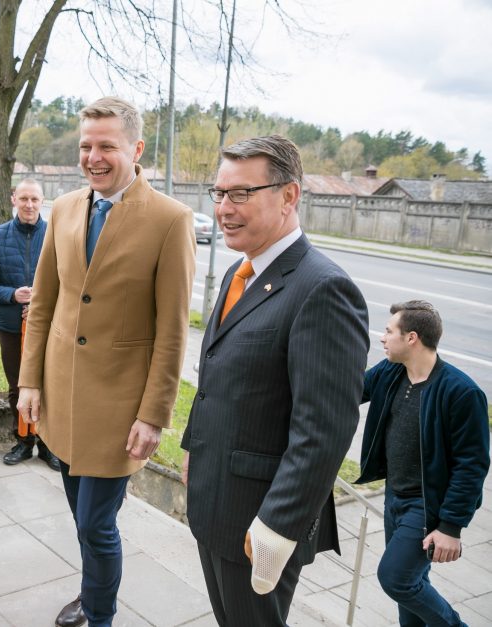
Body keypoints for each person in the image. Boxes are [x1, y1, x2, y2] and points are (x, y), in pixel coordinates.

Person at [17, 97, 196, 627]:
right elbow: (45, 302)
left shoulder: (170, 220)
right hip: (63, 396)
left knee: (96, 523)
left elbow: (172, 330)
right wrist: (30, 380)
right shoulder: (66, 207)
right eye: (86, 146)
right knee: (81, 517)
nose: (93, 158)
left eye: (106, 147)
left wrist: (153, 414)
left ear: (137, 149)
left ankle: (100, 614)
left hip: (120, 408)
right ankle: (91, 590)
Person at [180, 135, 369, 626]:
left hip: (258, 520)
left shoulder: (323, 289)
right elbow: (218, 377)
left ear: (289, 196)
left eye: (241, 193)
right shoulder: (237, 273)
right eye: (219, 193)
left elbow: (323, 431)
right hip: (215, 500)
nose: (223, 208)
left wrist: (277, 527)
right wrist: (191, 446)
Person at [357, 301, 489, 626]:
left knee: (396, 578)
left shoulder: (460, 392)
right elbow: (350, 390)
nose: (383, 338)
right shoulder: (391, 372)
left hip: (426, 504)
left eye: (389, 331)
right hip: (395, 498)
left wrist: (450, 528)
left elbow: (471, 466)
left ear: (412, 337)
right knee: (411, 589)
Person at [0, 178, 60, 471]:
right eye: (24, 198)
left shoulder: (57, 235)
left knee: (50, 385)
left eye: (35, 200)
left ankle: (49, 444)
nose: (29, 205)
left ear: (43, 201)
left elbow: (71, 282)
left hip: (52, 328)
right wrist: (13, 295)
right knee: (17, 385)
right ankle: (23, 441)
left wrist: (42, 306)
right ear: (14, 198)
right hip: (12, 326)